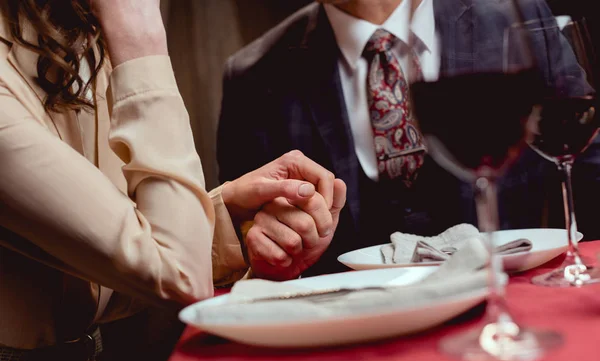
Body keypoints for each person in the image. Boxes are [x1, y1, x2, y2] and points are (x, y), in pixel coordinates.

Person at [0, 0, 345, 361]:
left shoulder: (70, 34)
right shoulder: (120, 28)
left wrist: (231, 222)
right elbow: (178, 275)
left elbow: (104, 272)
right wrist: (141, 41)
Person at [216, 0, 600, 282]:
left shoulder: (517, 13)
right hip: (359, 338)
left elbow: (588, 161)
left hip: (514, 309)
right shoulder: (253, 77)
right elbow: (247, 239)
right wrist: (265, 249)